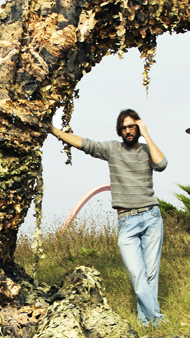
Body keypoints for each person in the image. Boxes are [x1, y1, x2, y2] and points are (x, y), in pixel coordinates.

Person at [50, 109, 168, 326]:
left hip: (151, 216)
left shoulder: (146, 150)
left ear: (138, 127)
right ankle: (156, 319)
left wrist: (147, 134)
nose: (128, 130)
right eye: (124, 127)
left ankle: (147, 322)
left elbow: (161, 164)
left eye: (132, 126)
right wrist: (54, 131)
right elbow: (84, 143)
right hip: (127, 222)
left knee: (151, 274)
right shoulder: (112, 149)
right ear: (119, 130)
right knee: (136, 273)